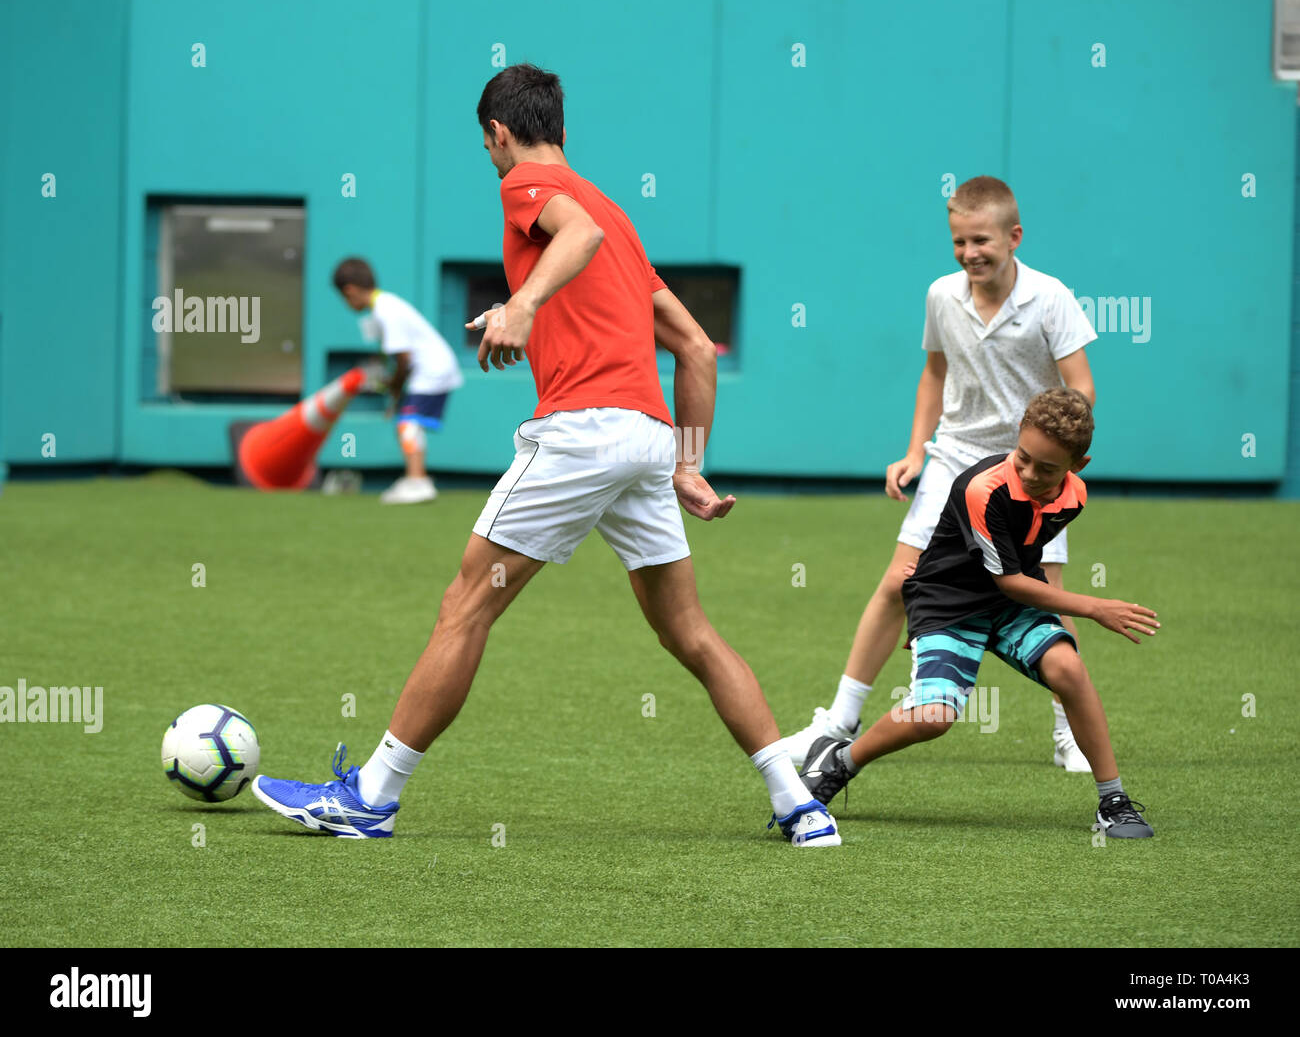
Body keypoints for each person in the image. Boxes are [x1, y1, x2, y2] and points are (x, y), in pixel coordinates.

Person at [254, 64, 840, 847]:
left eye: (486, 143)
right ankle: (800, 803)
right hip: (644, 439)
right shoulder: (616, 214)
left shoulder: (527, 187)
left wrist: (525, 304)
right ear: (564, 126)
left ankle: (372, 796)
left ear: (499, 133)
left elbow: (576, 236)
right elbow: (696, 347)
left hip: (582, 436)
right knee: (690, 631)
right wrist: (688, 464)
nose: (492, 156)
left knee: (466, 605)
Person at [782, 177, 1099, 772]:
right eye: (958, 241)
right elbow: (934, 373)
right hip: (954, 459)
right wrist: (914, 452)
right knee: (898, 582)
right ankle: (837, 722)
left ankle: (1069, 735)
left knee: (1048, 596)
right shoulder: (940, 296)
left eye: (981, 239)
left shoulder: (1052, 298)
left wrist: (1043, 461)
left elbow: (1081, 389)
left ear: (1014, 236)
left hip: (1027, 473)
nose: (969, 252)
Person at [798, 388, 1157, 839]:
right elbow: (1008, 577)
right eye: (1022, 457)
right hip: (949, 602)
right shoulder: (980, 487)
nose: (1028, 473)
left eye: (1046, 469)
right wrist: (1094, 607)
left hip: (1008, 602)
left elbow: (1018, 556)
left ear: (1076, 467)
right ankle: (839, 759)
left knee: (1068, 668)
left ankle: (1114, 800)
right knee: (935, 716)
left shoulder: (1074, 498)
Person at [333, 258, 464, 504]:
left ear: (349, 290)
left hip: (432, 370)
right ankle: (417, 479)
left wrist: (394, 386)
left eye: (344, 298)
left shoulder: (385, 311)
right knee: (407, 423)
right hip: (431, 369)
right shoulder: (384, 306)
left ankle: (418, 482)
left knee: (407, 424)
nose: (347, 303)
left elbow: (404, 358)